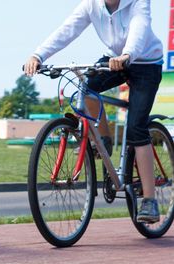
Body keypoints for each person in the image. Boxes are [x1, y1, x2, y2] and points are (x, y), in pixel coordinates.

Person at [24, 0, 163, 223]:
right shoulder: (91, 5)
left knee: (137, 127)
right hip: (114, 59)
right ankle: (104, 141)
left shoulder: (137, 2)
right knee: (85, 89)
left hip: (145, 62)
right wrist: (38, 55)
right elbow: (67, 29)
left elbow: (140, 27)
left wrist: (127, 55)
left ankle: (149, 200)